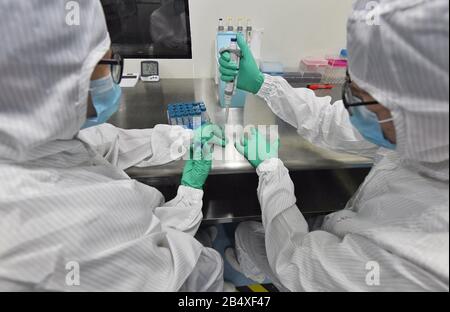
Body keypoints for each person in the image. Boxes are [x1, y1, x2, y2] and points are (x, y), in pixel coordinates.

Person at [219, 0, 449, 291]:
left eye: (363, 97)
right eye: (351, 82)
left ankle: (244, 270)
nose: (352, 106)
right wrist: (263, 84)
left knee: (247, 240)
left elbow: (296, 265)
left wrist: (271, 171)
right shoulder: (426, 132)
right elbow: (332, 121)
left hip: (322, 269)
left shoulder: (420, 260)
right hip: (344, 227)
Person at [0, 0, 225, 292]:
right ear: (59, 83)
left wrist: (184, 139)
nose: (110, 79)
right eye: (106, 64)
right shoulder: (82, 221)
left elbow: (101, 143)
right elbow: (191, 273)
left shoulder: (25, 139)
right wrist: (190, 196)